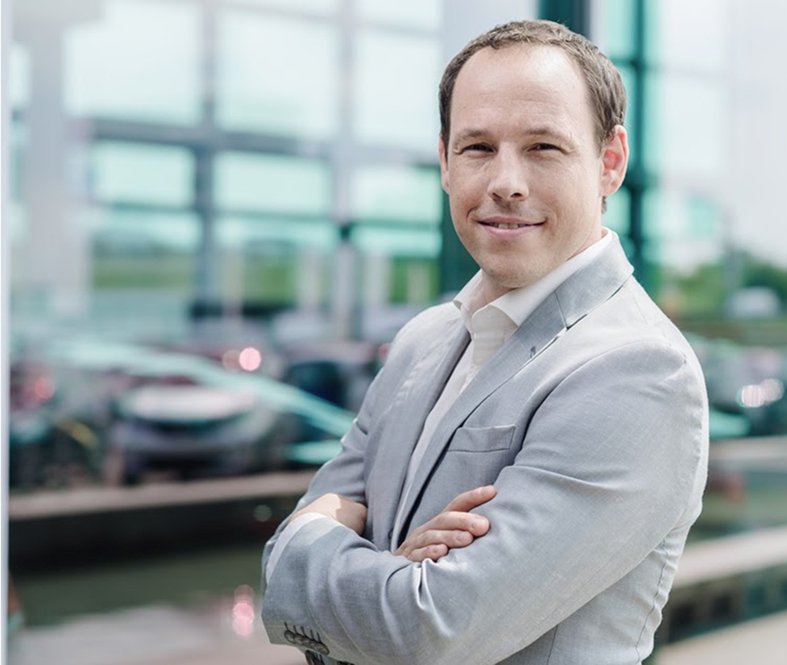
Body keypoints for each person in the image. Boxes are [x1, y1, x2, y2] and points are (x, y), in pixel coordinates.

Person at [261, 19, 708, 665]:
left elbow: (425, 629)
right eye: (478, 147)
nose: (506, 182)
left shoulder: (638, 370)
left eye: (543, 147)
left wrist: (310, 543)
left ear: (610, 161)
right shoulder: (421, 341)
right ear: (446, 162)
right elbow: (378, 599)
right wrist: (391, 576)